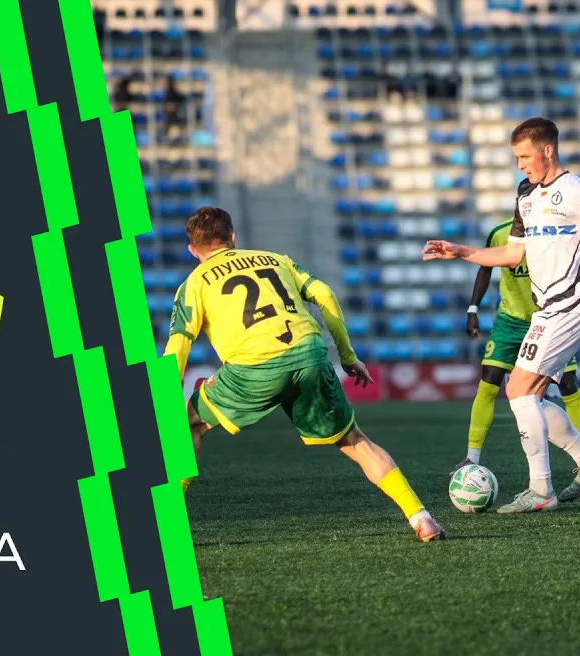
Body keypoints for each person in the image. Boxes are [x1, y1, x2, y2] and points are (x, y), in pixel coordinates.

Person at [165, 206, 446, 542]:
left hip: (254, 367)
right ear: (233, 238)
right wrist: (347, 356)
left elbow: (178, 345)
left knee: (189, 426)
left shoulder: (193, 284)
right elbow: (324, 294)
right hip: (309, 353)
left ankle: (165, 525)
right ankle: (421, 517)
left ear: (192, 249)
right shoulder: (275, 259)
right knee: (355, 441)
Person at [422, 117, 580, 514]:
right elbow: (512, 254)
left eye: (525, 157)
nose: (520, 165)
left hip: (572, 307)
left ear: (548, 150)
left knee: (519, 390)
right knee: (529, 395)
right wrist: (462, 251)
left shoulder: (579, 193)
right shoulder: (526, 197)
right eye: (517, 158)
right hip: (548, 310)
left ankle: (541, 489)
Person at [455, 207, 580, 476]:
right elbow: (485, 268)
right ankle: (471, 457)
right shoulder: (500, 233)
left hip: (551, 319)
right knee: (489, 382)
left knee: (568, 384)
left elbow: (577, 274)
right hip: (510, 321)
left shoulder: (553, 232)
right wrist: (473, 309)